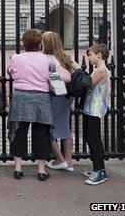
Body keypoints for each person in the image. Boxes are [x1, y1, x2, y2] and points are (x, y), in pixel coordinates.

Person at [7, 29, 53, 181]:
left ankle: (18, 169)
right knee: (41, 133)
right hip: (42, 98)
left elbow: (12, 73)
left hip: (22, 96)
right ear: (40, 43)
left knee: (19, 131)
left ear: (24, 43)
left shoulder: (16, 58)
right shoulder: (48, 59)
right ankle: (41, 170)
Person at [42, 31, 77, 172]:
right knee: (64, 127)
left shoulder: (49, 58)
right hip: (66, 96)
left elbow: (67, 77)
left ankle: (60, 160)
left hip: (55, 96)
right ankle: (69, 162)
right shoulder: (65, 57)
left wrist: (52, 76)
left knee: (46, 128)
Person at [82, 44, 111, 185]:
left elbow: (87, 83)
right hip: (90, 108)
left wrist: (76, 68)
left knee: (93, 139)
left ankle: (99, 170)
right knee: (91, 138)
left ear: (99, 55)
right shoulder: (99, 70)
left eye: (91, 54)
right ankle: (99, 169)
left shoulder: (101, 70)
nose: (89, 57)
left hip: (95, 109)